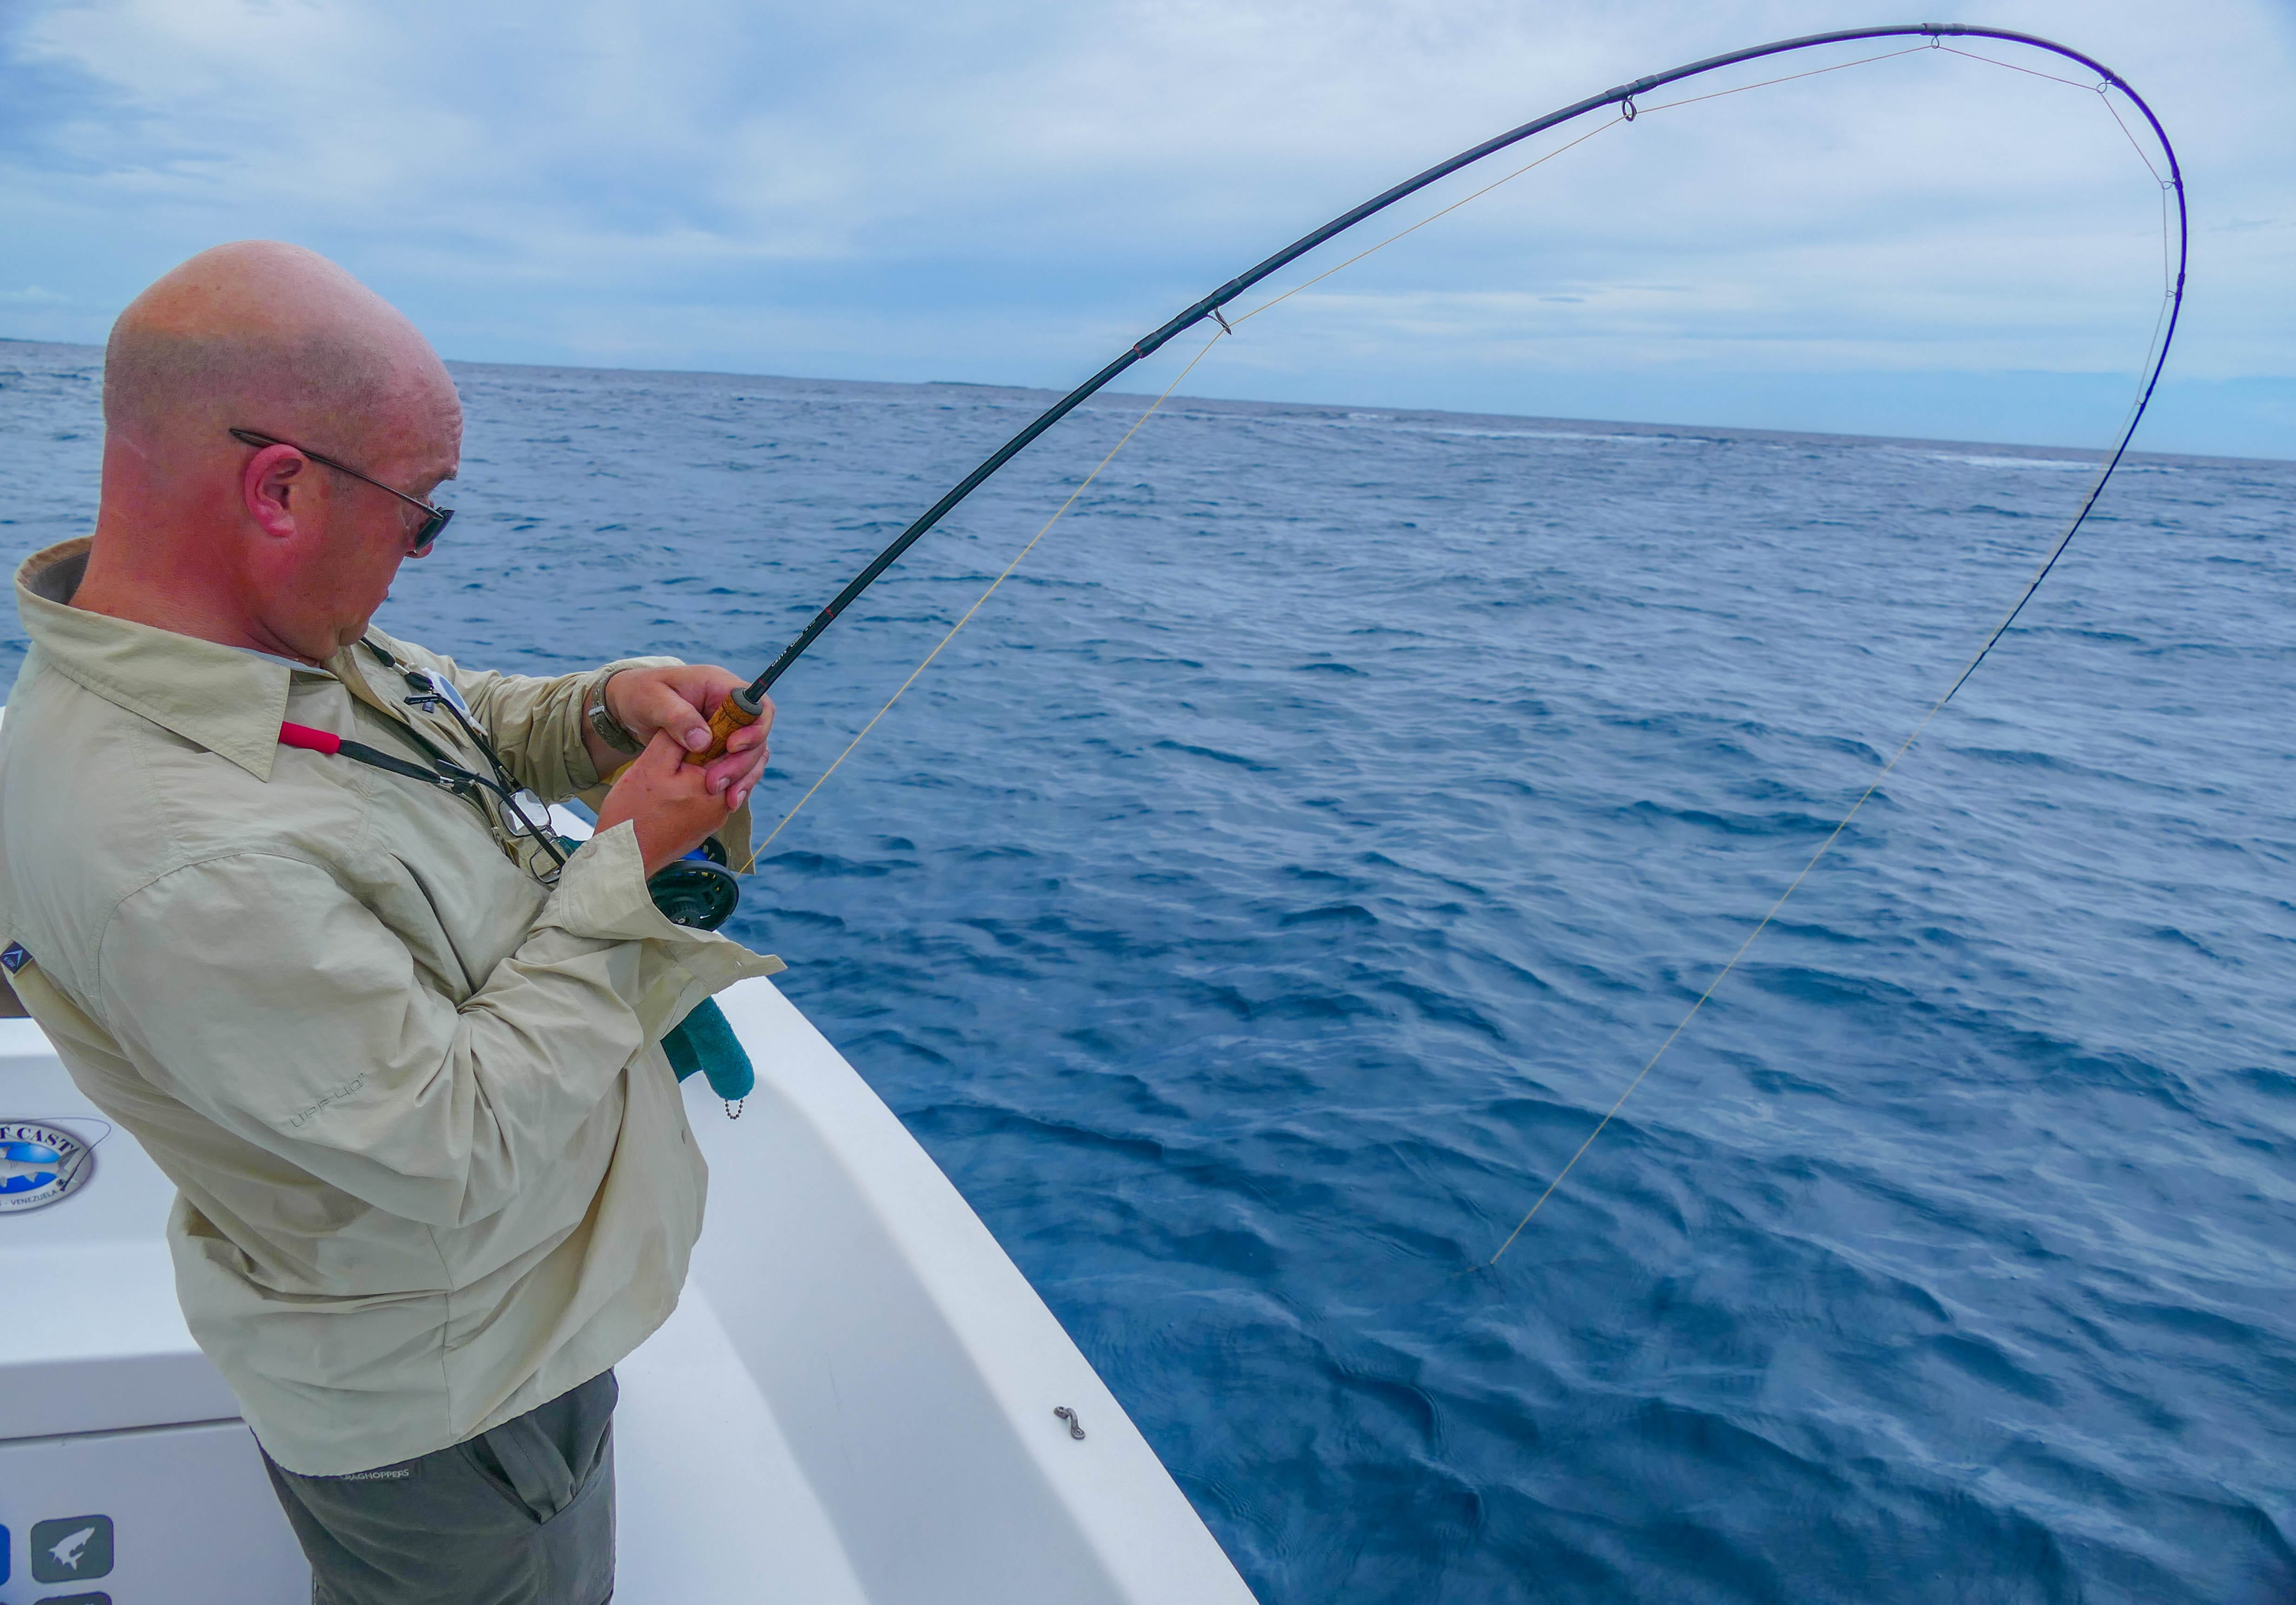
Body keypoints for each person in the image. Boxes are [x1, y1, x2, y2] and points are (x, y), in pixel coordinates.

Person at [0, 241, 783, 1605]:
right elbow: (457, 1145)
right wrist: (625, 870)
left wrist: (605, 712)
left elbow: (447, 718)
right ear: (281, 487)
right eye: (424, 511)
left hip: (488, 1329)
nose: (421, 553)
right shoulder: (172, 852)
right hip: (461, 1407)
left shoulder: (253, 642)